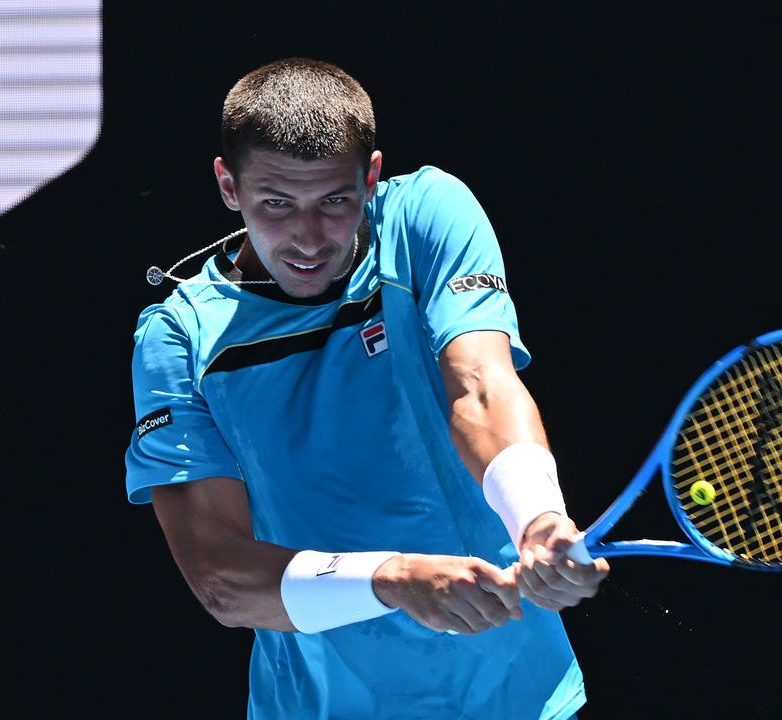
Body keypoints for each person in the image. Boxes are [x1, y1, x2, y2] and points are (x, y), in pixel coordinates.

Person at [125, 58, 609, 719]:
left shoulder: (425, 217)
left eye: (334, 201)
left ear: (372, 176)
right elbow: (220, 579)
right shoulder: (178, 338)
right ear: (227, 186)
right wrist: (396, 579)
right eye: (275, 203)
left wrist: (538, 518)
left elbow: (481, 382)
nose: (307, 238)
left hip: (516, 695)